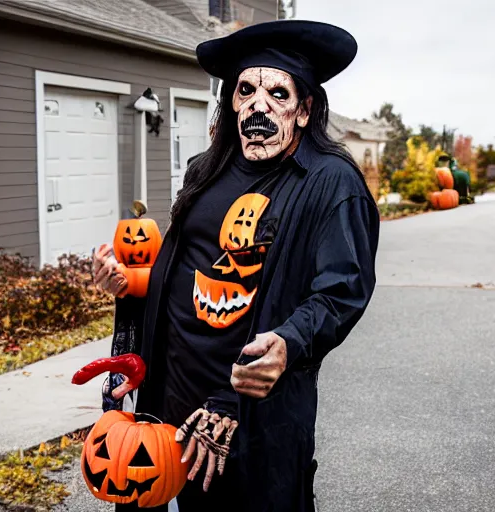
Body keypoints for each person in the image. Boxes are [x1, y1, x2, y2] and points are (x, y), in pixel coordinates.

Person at [92, 19, 379, 512]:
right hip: (171, 395)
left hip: (249, 410)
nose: (258, 106)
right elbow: (184, 269)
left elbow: (342, 290)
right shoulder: (206, 169)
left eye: (277, 93)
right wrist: (129, 285)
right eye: (246, 90)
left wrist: (289, 343)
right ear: (232, 102)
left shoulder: (331, 183)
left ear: (305, 109)